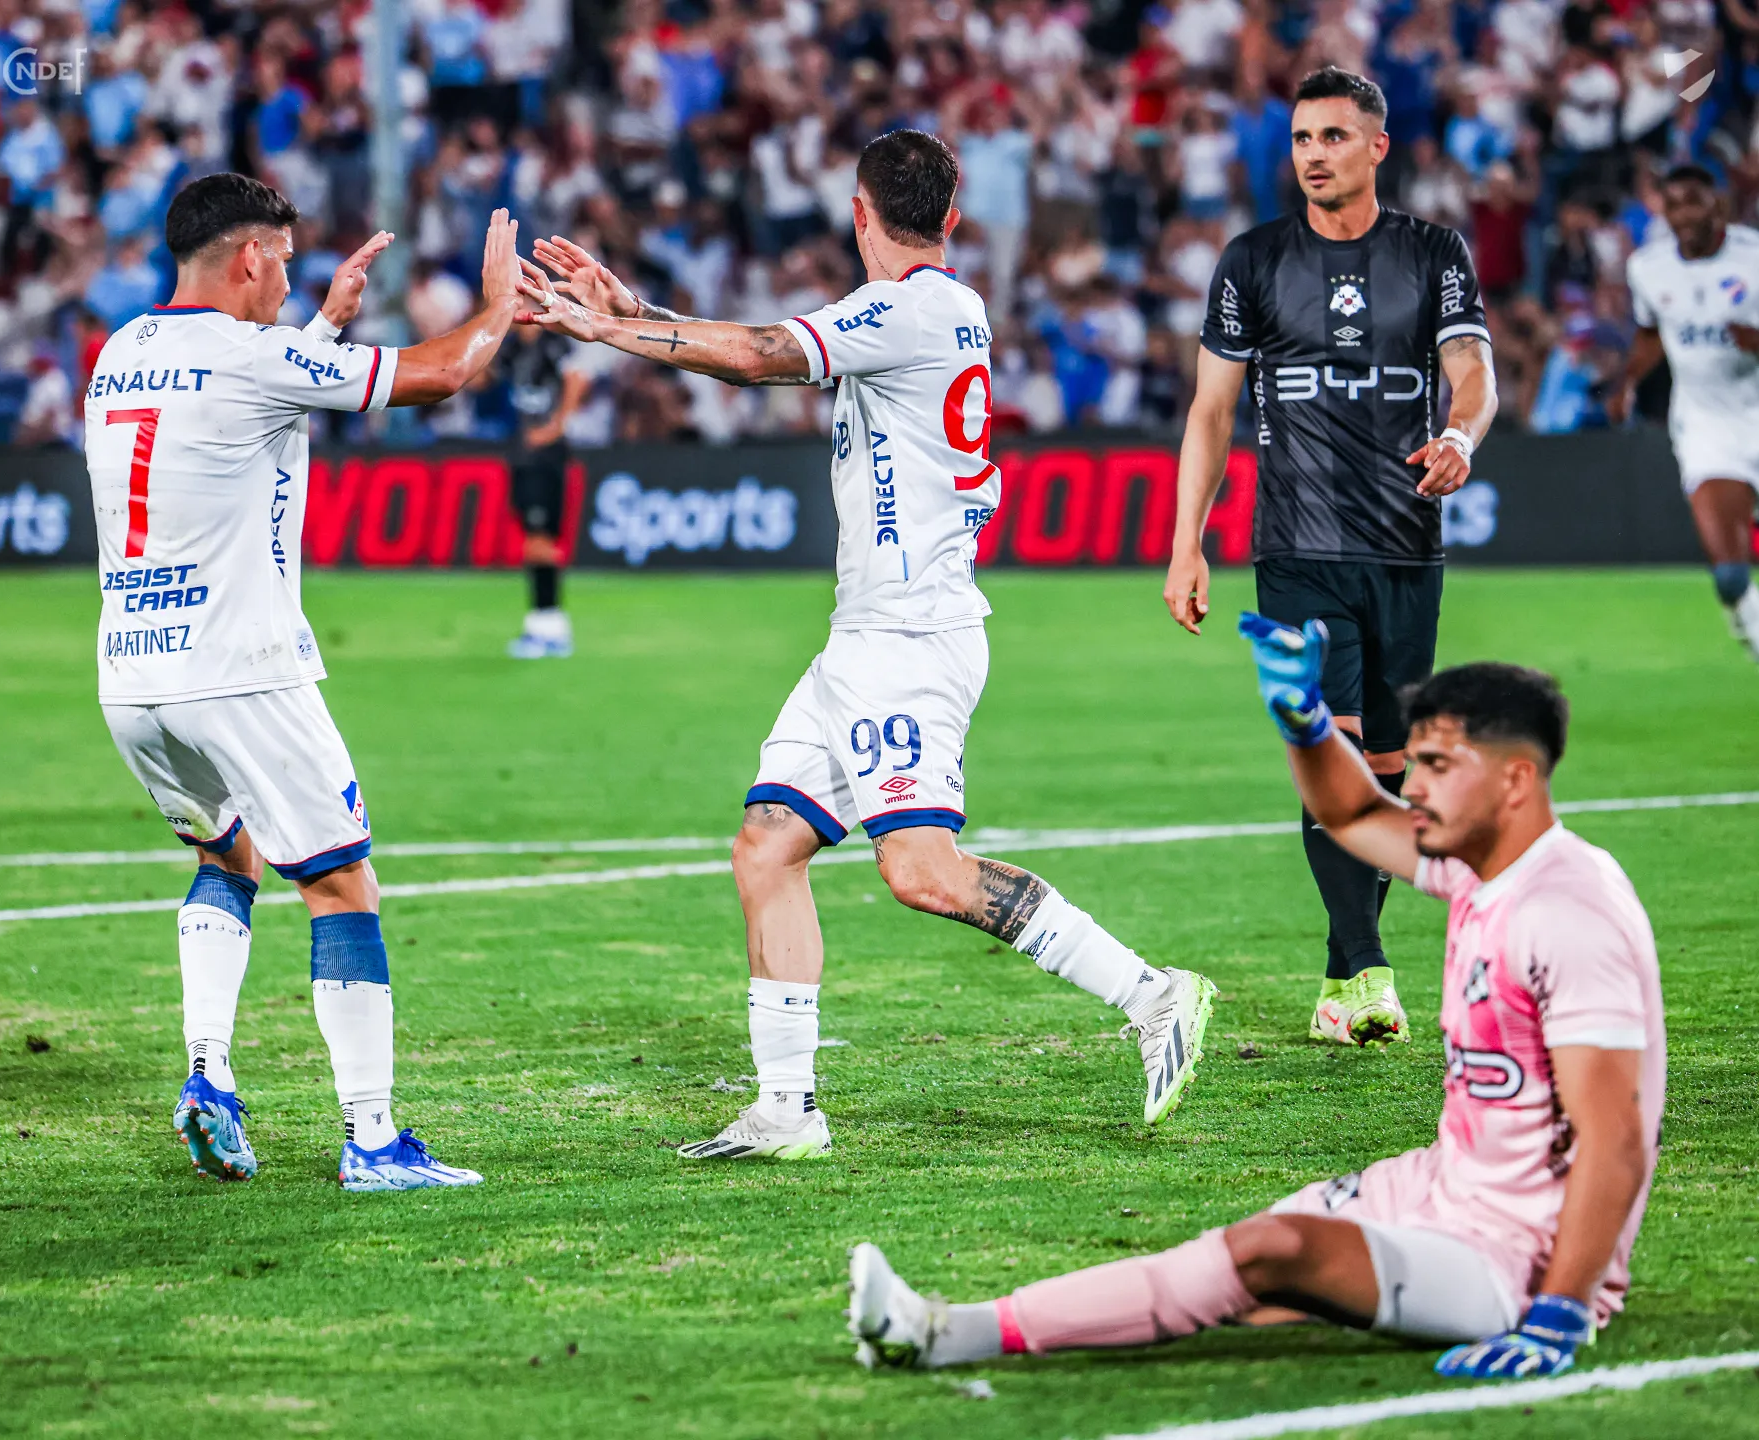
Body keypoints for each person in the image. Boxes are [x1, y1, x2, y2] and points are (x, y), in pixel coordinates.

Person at [516, 129, 1218, 1159]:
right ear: (952, 217)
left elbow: (758, 355)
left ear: (858, 213)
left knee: (922, 871)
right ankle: (785, 1109)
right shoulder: (922, 310)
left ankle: (1152, 994)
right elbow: (763, 352)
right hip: (865, 639)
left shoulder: (908, 310)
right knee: (768, 845)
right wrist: (636, 311)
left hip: (910, 639)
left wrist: (607, 331)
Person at [849, 623, 1664, 1383]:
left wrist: (1561, 1310)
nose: (1413, 786)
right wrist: (1307, 722)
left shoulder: (1569, 911)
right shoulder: (1480, 861)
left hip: (1522, 1253)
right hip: (1444, 1188)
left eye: (1438, 767)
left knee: (1266, 1254)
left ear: (1516, 779)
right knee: (1237, 1271)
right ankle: (941, 1330)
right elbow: (1352, 811)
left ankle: (945, 1334)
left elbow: (1617, 1138)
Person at [84, 174, 526, 1191]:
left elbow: (233, 412)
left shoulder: (121, 352)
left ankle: (210, 1076)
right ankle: (373, 1140)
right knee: (340, 883)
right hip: (241, 670)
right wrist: (499, 305)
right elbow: (443, 373)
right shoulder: (253, 356)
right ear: (248, 257)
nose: (288, 281)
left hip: (133, 676)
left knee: (226, 855)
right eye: (282, 261)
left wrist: (322, 329)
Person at [1163, 66, 1500, 1048]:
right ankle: (1368, 970)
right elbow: (1212, 411)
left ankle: (1338, 977)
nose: (1314, 155)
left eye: (1334, 137)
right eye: (1303, 138)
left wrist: (1461, 436)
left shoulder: (1432, 253)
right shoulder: (1253, 260)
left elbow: (1472, 371)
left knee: (1388, 767)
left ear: (1377, 147)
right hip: (1297, 548)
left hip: (1405, 548)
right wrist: (1187, 543)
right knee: (1332, 748)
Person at [1611, 165, 1759, 662]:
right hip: (1708, 425)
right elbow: (1652, 332)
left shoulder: (1754, 257)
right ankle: (1747, 620)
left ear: (1717, 203)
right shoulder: (1648, 268)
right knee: (1731, 575)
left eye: (1693, 201)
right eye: (1673, 205)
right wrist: (1628, 383)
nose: (1683, 215)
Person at [503, 323, 590, 658]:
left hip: (546, 456)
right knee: (533, 541)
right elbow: (484, 379)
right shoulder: (511, 347)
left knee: (541, 541)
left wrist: (556, 426)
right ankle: (544, 624)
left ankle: (549, 626)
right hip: (523, 453)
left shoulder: (555, 344)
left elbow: (578, 378)